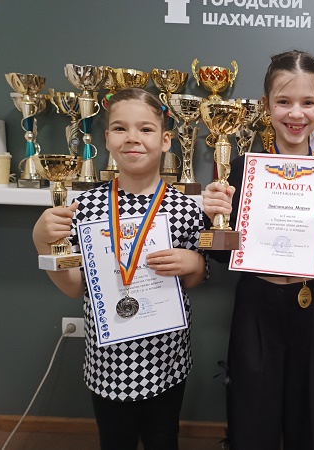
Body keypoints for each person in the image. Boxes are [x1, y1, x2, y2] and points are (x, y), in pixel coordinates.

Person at [202, 50, 314, 450]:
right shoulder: (241, 168)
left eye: (308, 102)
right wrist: (215, 219)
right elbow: (221, 256)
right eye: (284, 101)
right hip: (256, 303)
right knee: (251, 414)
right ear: (266, 105)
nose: (296, 113)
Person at [32, 87, 208, 450]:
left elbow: (197, 279)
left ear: (166, 140)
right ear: (106, 139)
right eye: (119, 128)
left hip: (166, 355)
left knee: (164, 438)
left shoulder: (186, 208)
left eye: (145, 128)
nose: (132, 138)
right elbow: (74, 286)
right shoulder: (85, 207)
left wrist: (194, 263)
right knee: (114, 440)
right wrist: (42, 242)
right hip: (108, 360)